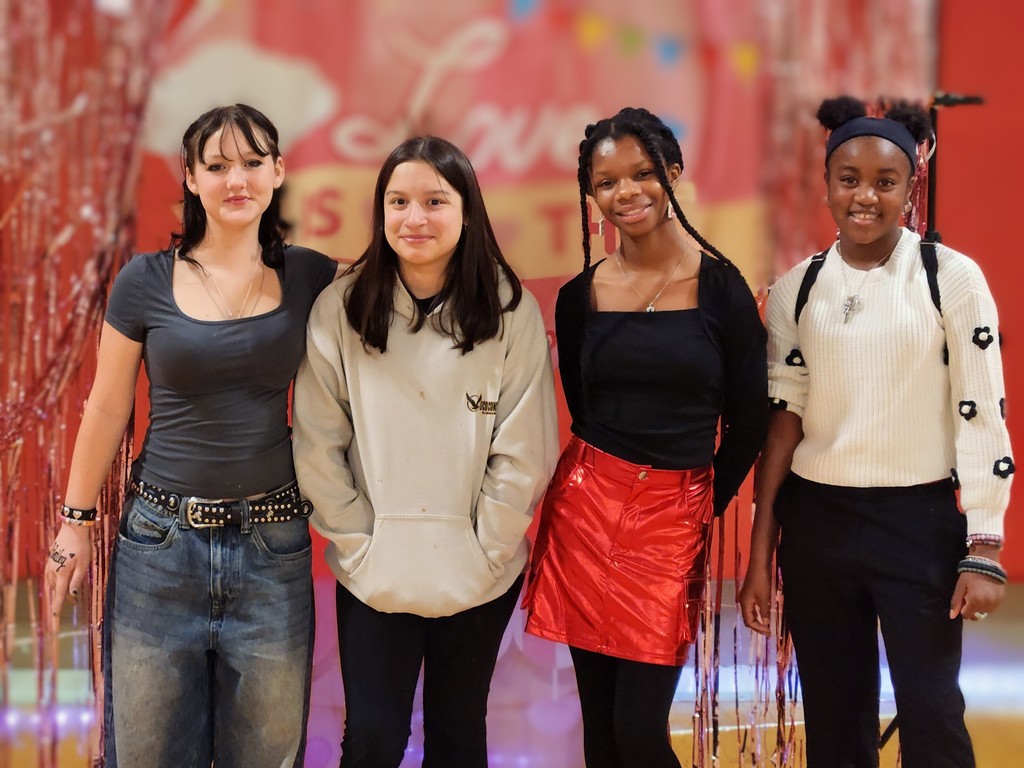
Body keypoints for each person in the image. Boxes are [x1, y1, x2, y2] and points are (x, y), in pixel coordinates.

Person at [43, 103, 339, 767]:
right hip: (159, 547)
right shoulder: (143, 280)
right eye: (218, 165)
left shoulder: (311, 276)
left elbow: (398, 298)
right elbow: (107, 406)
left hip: (272, 547)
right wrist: (74, 523)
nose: (237, 179)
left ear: (278, 171)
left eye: (252, 162)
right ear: (191, 177)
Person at [739, 96, 1014, 768]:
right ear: (827, 185)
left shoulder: (951, 278)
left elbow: (980, 409)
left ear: (910, 188)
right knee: (835, 717)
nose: (865, 196)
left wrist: (984, 544)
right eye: (849, 180)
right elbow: (784, 423)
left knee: (932, 713)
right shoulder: (797, 289)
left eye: (885, 182)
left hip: (918, 525)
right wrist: (760, 551)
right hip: (818, 527)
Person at [291, 134, 559, 768]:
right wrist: (360, 544)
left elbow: (525, 448)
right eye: (398, 202)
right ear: (380, 212)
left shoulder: (509, 309)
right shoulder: (341, 308)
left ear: (467, 211)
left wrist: (485, 547)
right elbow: (318, 443)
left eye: (435, 201)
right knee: (373, 741)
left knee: (458, 737)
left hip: (479, 573)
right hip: (373, 572)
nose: (415, 218)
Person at [522, 107, 769, 768]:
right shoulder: (579, 297)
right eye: (607, 182)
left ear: (673, 173)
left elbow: (750, 420)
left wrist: (699, 503)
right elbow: (584, 411)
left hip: (673, 517)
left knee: (639, 732)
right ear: (591, 194)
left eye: (642, 174)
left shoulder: (722, 289)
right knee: (601, 733)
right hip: (584, 513)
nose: (625, 192)